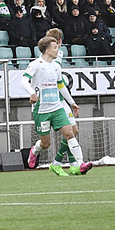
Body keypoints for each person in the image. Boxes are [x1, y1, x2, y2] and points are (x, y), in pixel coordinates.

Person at [24, 35, 92, 176]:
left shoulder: (56, 67)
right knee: (45, 144)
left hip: (57, 107)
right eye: (55, 48)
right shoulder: (35, 64)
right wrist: (32, 93)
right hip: (41, 109)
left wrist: (72, 102)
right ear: (47, 50)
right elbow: (24, 81)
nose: (58, 50)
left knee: (70, 133)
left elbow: (61, 86)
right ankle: (34, 151)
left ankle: (80, 163)